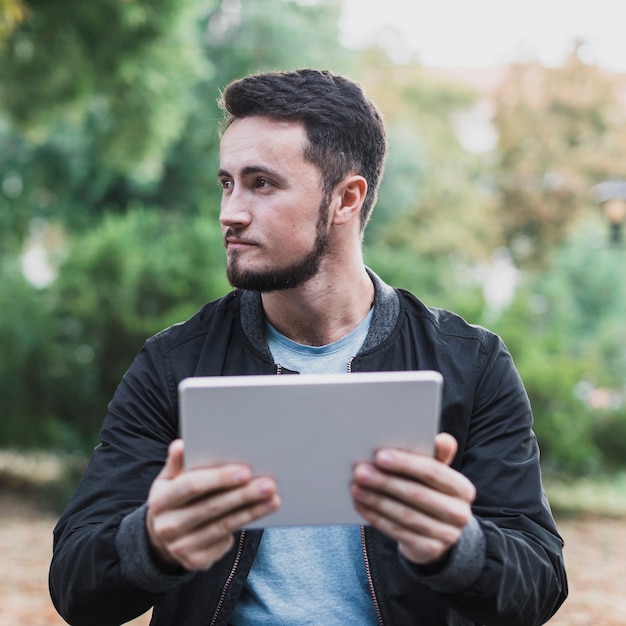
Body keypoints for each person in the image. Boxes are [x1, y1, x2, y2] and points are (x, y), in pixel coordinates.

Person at [49, 69, 567, 626]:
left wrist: (458, 549)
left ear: (346, 198)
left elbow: (538, 582)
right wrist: (149, 543)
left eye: (261, 183)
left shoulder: (472, 364)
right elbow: (76, 585)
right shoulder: (173, 364)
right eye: (226, 183)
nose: (230, 212)